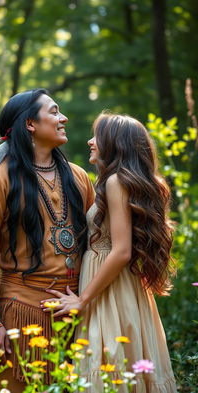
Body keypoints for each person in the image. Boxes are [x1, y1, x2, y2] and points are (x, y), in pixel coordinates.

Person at [0, 89, 95, 392]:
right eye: (54, 111)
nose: (64, 118)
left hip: (75, 313)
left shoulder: (77, 176)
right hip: (20, 314)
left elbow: (100, 240)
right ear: (30, 124)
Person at [41, 113, 177, 392]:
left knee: (109, 366)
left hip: (108, 290)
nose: (91, 141)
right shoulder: (119, 182)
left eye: (97, 136)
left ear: (115, 143)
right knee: (123, 367)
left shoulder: (116, 183)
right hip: (121, 287)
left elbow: (122, 251)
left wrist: (82, 299)